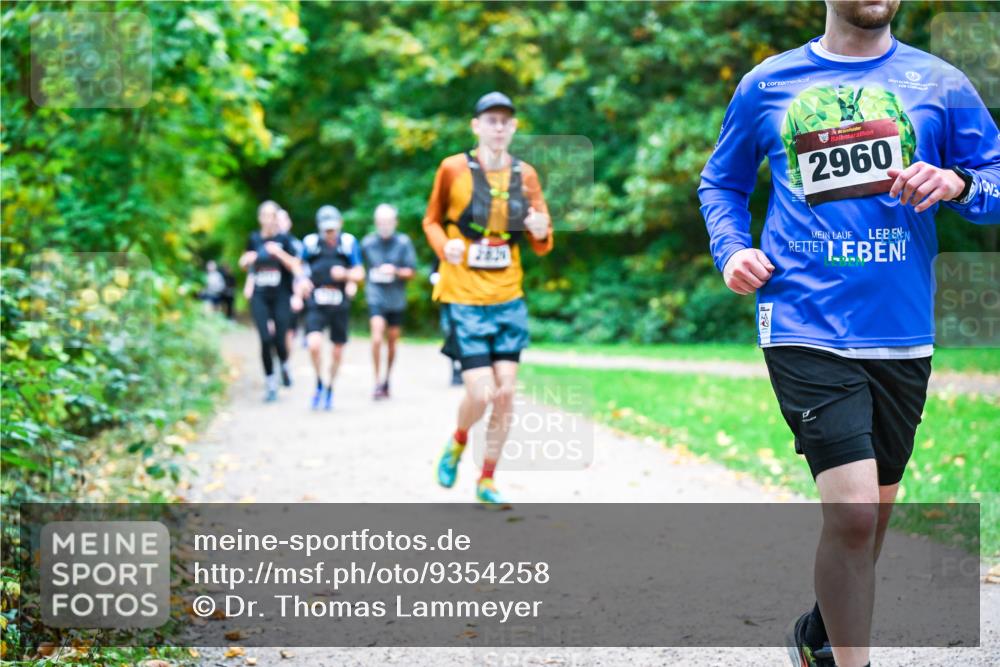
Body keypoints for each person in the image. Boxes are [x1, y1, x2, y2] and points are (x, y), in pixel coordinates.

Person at [698, 2, 999, 666]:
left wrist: (958, 182)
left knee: (870, 518)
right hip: (801, 319)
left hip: (901, 328)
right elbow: (721, 183)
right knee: (856, 514)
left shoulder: (941, 84)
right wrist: (731, 250)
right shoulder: (767, 84)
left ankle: (818, 635)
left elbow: (998, 181)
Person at [424, 91, 554, 506]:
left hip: (507, 297)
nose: (498, 128)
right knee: (481, 393)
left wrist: (539, 229)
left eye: (506, 121)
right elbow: (430, 221)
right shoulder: (452, 169)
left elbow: (542, 242)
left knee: (505, 393)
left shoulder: (526, 175)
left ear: (513, 128)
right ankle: (459, 442)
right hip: (463, 297)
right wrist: (446, 247)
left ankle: (487, 479)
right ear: (476, 126)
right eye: (490, 120)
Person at [299, 205, 364, 411]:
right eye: (326, 229)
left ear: (339, 226)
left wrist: (345, 275)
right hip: (317, 302)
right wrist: (301, 281)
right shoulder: (310, 243)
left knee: (337, 351)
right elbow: (298, 265)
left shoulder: (348, 243)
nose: (330, 233)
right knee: (314, 345)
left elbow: (359, 273)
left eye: (332, 229)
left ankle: (330, 387)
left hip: (339, 303)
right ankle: (319, 381)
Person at [239, 200, 303, 402]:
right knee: (265, 339)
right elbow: (244, 263)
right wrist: (247, 260)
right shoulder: (254, 238)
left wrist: (279, 253)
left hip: (281, 295)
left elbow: (296, 265)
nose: (268, 219)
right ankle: (270, 382)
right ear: (260, 218)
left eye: (272, 215)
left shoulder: (285, 240)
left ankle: (284, 364)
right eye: (264, 215)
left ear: (276, 218)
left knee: (280, 339)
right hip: (260, 295)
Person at [361, 203, 418, 399]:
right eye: (381, 221)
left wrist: (395, 271)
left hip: (396, 299)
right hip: (376, 295)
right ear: (376, 222)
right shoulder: (367, 243)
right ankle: (377, 381)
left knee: (392, 341)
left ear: (395, 222)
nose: (384, 225)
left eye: (388, 221)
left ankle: (387, 379)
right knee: (377, 337)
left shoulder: (403, 243)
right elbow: (359, 268)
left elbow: (412, 272)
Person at [276, 208, 306, 359]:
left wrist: (297, 295)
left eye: (283, 220)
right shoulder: (266, 242)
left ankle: (285, 363)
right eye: (277, 220)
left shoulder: (296, 245)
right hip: (270, 293)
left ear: (289, 223)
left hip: (289, 292)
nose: (280, 224)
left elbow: (300, 271)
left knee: (289, 330)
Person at [431, 259, 464, 386]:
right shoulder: (442, 253)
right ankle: (455, 370)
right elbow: (433, 273)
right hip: (448, 301)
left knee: (464, 335)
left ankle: (464, 368)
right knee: (450, 334)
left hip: (467, 301)